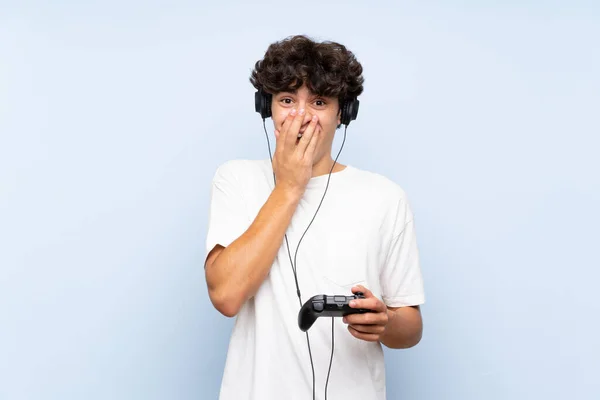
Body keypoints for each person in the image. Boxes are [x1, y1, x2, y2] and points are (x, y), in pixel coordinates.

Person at [204, 34, 425, 400]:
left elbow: (411, 329)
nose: (301, 116)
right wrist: (290, 187)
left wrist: (384, 322)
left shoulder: (385, 197)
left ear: (343, 113)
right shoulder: (236, 180)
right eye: (287, 100)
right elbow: (226, 296)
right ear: (267, 107)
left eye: (319, 102)